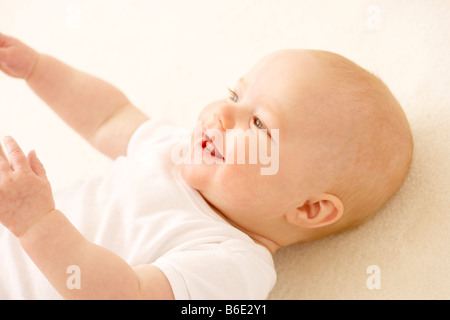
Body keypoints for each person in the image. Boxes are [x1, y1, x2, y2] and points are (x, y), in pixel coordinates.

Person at [0, 33, 413, 299]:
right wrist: (38, 69)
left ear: (308, 209)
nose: (221, 114)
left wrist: (36, 224)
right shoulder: (175, 149)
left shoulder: (232, 263)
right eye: (235, 95)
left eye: (258, 123)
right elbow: (107, 116)